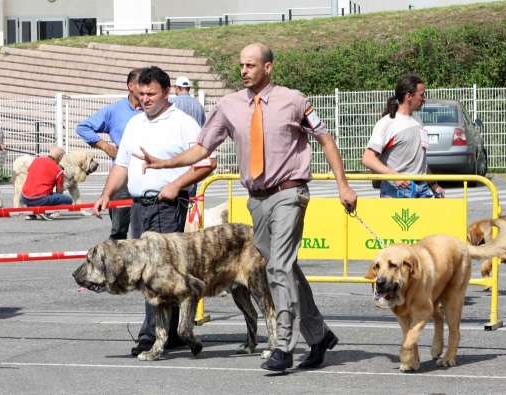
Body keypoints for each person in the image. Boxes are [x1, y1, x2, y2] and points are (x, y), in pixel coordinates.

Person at [133, 43, 358, 372]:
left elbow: (325, 139)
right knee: (284, 268)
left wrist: (343, 185)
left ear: (267, 68)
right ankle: (318, 333)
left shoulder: (294, 101)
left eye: (250, 65)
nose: (243, 71)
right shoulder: (229, 105)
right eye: (241, 65)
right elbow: (202, 149)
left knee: (278, 267)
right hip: (257, 198)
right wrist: (165, 162)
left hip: (289, 192)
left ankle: (282, 345)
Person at [92, 66, 217, 356]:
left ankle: (151, 336)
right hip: (139, 206)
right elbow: (121, 165)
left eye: (152, 94)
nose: (146, 99)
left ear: (167, 92)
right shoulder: (136, 123)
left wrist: (176, 185)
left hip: (167, 205)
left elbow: (206, 163)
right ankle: (169, 333)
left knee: (154, 273)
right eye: (142, 93)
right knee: (150, 272)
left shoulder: (183, 122)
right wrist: (106, 194)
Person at [76, 69, 144, 239]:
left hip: (147, 174)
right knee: (119, 230)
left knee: (145, 233)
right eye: (142, 84)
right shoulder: (115, 110)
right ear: (131, 86)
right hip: (121, 175)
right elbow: (83, 127)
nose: (146, 89)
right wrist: (105, 146)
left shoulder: (153, 109)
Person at [362, 74, 445, 199]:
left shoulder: (417, 120)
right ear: (409, 96)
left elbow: (419, 160)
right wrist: (394, 176)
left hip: (422, 188)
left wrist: (433, 185)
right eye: (421, 94)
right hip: (397, 191)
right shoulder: (387, 123)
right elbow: (368, 159)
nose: (425, 98)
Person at [21, 146, 74, 220]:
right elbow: (59, 192)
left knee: (35, 192)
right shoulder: (59, 170)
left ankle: (31, 212)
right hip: (40, 199)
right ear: (60, 157)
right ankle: (46, 212)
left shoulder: (36, 160)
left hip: (24, 197)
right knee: (68, 200)